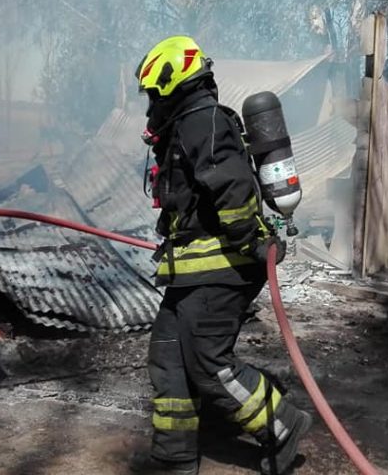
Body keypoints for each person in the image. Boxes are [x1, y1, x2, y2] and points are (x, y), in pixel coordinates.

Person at [130, 36, 311, 475]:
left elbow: (230, 184)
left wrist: (250, 236)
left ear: (173, 83)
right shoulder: (189, 124)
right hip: (194, 272)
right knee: (169, 357)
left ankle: (282, 426)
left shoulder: (201, 120)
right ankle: (174, 459)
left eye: (155, 94)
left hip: (222, 268)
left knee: (209, 365)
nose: (152, 104)